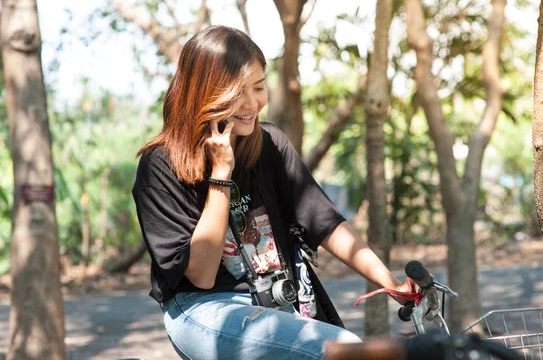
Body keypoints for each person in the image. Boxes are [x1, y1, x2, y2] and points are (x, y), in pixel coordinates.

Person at [132, 25, 417, 360]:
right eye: (239, 92)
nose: (253, 104)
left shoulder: (270, 145)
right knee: (346, 352)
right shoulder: (160, 166)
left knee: (346, 348)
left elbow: (324, 222)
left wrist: (391, 282)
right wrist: (221, 173)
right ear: (206, 94)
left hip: (274, 301)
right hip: (203, 307)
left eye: (259, 87)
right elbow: (203, 276)